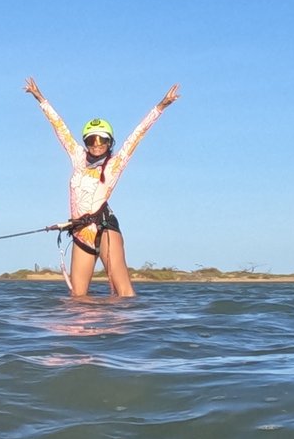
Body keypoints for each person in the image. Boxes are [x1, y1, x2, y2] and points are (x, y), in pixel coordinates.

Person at [25, 77, 180, 297]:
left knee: (124, 293)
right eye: (91, 140)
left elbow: (137, 134)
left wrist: (161, 106)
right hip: (81, 233)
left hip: (104, 228)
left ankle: (128, 321)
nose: (96, 145)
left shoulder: (115, 163)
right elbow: (60, 128)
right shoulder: (78, 158)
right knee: (77, 298)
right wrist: (40, 99)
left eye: (102, 140)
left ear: (109, 142)